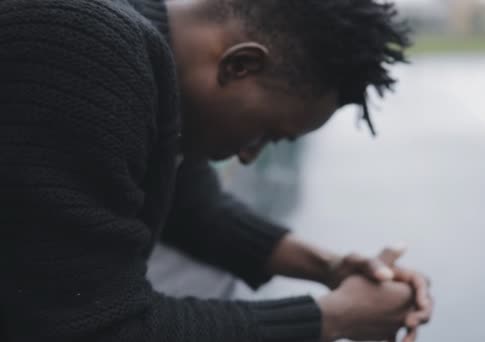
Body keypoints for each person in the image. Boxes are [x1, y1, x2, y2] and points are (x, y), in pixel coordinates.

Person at [0, 0, 434, 341]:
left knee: (207, 273)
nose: (248, 155)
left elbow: (191, 207)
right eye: (264, 133)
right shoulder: (90, 48)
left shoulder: (146, 54)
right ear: (239, 65)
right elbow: (90, 327)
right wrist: (332, 318)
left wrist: (333, 267)